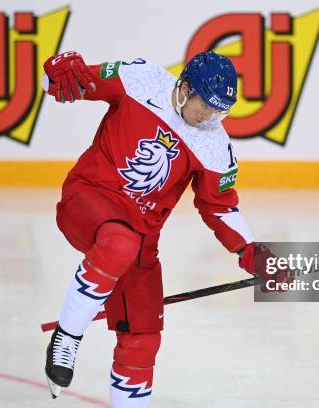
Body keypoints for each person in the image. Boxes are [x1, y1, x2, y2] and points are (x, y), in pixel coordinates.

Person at [42, 50, 282, 407]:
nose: (209, 117)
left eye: (220, 111)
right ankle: (67, 336)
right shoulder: (141, 80)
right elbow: (67, 84)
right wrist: (56, 74)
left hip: (140, 240)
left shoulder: (214, 143)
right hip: (88, 201)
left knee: (142, 337)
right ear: (184, 88)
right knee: (118, 242)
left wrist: (251, 252)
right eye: (205, 105)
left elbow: (220, 206)